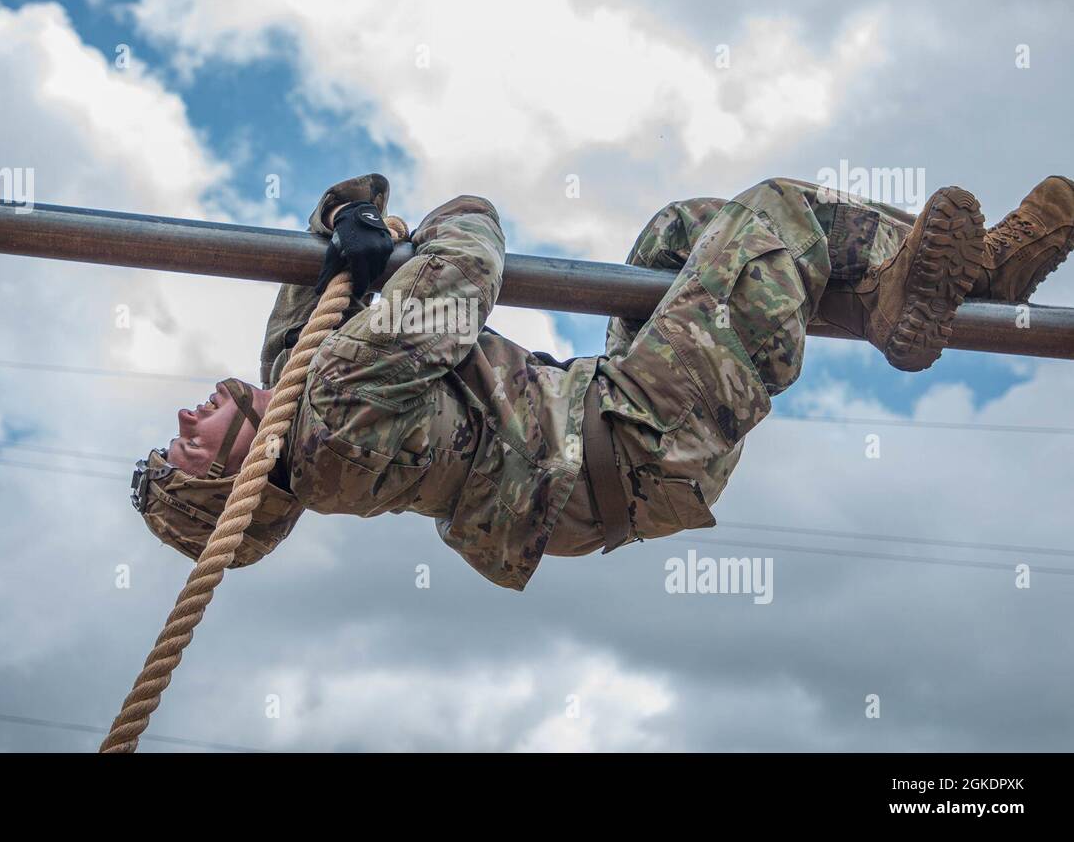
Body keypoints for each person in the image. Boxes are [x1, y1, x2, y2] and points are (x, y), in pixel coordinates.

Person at [132, 173, 1074, 590]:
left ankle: (928, 283)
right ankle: (928, 291)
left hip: (606, 430)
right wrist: (432, 222)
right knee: (774, 218)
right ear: (232, 484)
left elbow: (314, 297)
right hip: (631, 438)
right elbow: (468, 262)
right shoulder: (332, 412)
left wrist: (345, 215)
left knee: (680, 236)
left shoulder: (306, 419)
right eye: (184, 446)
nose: (184, 412)